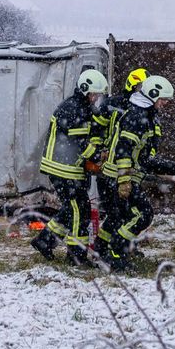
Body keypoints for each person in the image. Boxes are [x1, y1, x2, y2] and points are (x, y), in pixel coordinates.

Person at [98, 75, 175, 271]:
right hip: (118, 177)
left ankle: (102, 249)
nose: (165, 104)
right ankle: (117, 252)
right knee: (142, 215)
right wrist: (125, 180)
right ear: (153, 95)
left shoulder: (145, 113)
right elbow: (124, 149)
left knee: (117, 217)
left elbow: (144, 157)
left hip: (120, 176)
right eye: (163, 99)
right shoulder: (138, 116)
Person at [32, 69, 109, 266]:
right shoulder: (73, 108)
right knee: (78, 212)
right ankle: (76, 257)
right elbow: (81, 142)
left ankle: (45, 240)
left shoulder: (83, 106)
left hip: (70, 169)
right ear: (84, 90)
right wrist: (98, 155)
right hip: (62, 169)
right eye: (94, 94)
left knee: (72, 209)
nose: (96, 98)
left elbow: (94, 128)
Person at [91, 67, 147, 254]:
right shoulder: (112, 104)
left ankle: (121, 245)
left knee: (123, 211)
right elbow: (96, 129)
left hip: (125, 166)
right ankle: (113, 247)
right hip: (110, 166)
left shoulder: (139, 108)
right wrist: (100, 152)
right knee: (118, 211)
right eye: (140, 87)